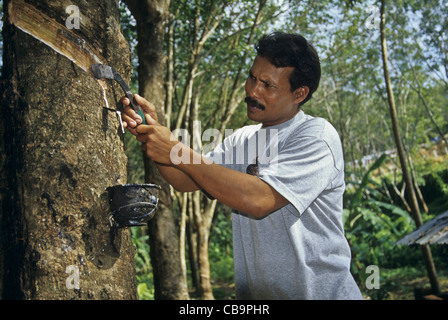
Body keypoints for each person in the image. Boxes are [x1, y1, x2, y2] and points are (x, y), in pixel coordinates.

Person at [121, 32, 363, 300]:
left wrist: (175, 150)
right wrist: (153, 135)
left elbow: (258, 199)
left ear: (300, 93)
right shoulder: (243, 138)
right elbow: (186, 179)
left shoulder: (316, 136)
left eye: (268, 85)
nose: (252, 90)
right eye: (252, 78)